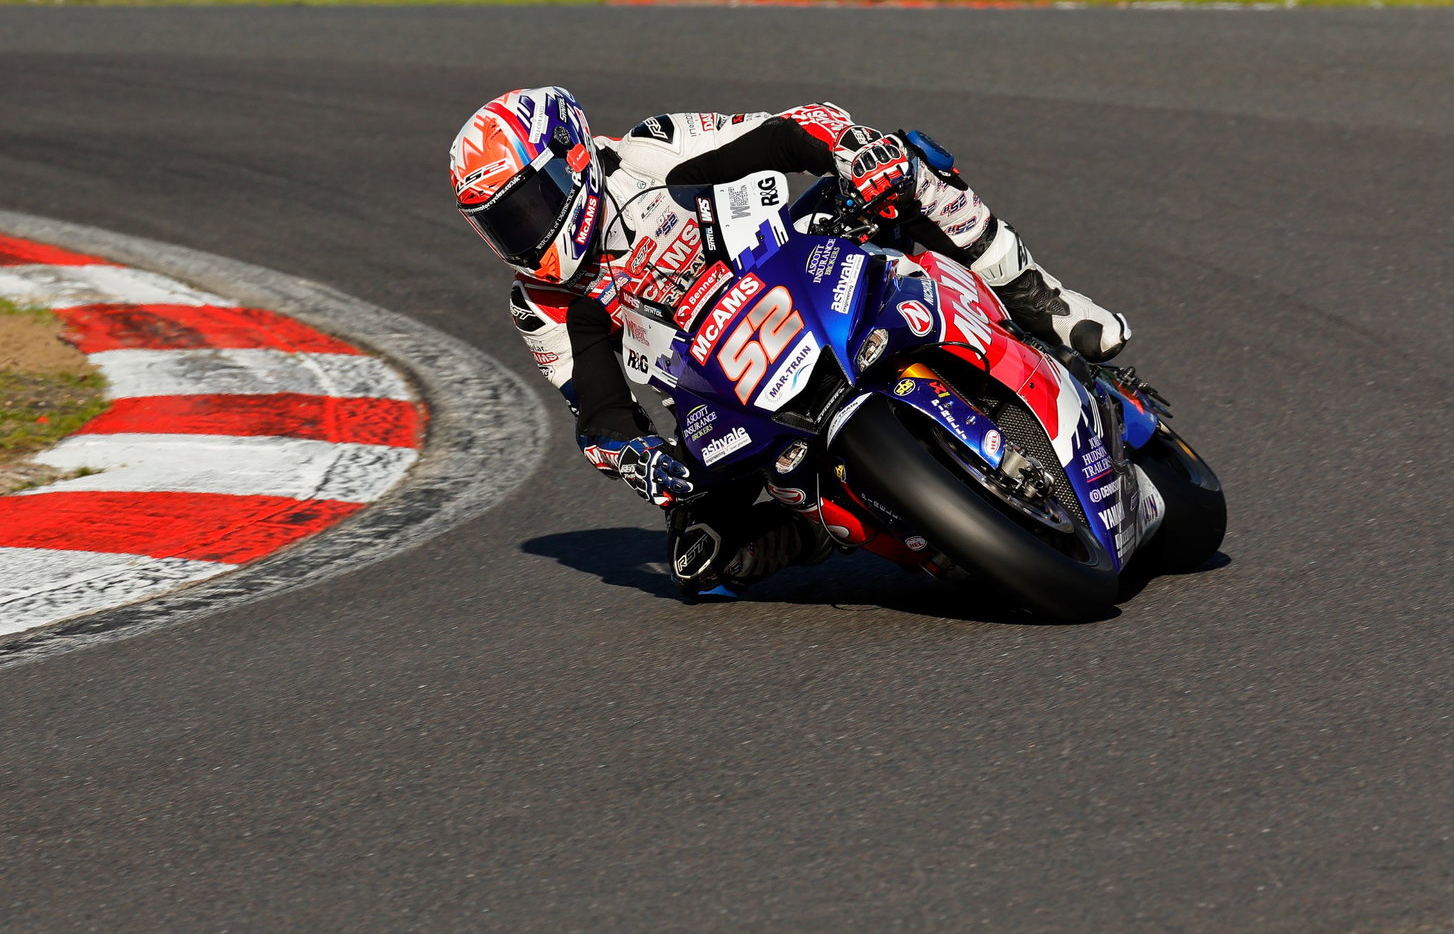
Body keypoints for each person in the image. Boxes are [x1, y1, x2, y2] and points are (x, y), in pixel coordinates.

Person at [448, 88, 1131, 599]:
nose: (525, 236)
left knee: (902, 161)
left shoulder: (649, 150)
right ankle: (821, 531)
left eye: (530, 207)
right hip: (723, 392)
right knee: (700, 558)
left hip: (796, 272)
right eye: (501, 226)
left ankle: (1040, 300)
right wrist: (638, 457)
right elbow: (597, 406)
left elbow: (785, 132)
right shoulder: (540, 304)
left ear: (572, 161)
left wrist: (845, 151)